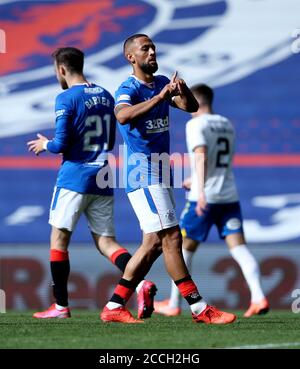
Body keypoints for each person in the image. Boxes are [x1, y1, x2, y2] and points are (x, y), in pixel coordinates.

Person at [100, 34, 236, 324]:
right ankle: (200, 308)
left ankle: (114, 306)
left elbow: (190, 107)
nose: (151, 52)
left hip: (160, 171)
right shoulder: (128, 87)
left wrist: (182, 91)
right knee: (172, 237)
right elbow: (122, 116)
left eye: (153, 48)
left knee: (153, 243)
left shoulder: (161, 81)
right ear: (131, 58)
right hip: (142, 171)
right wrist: (160, 97)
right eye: (145, 49)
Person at [27, 47, 156, 319]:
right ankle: (141, 283)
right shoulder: (106, 95)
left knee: (59, 240)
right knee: (107, 242)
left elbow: (61, 144)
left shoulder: (66, 98)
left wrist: (44, 144)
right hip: (103, 175)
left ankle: (60, 306)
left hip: (75, 176)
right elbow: (110, 141)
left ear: (61, 70)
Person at [154, 84, 269, 318]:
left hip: (204, 198)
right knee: (239, 248)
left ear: (195, 100)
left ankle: (174, 303)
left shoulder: (195, 124)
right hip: (228, 195)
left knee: (181, 248)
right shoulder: (226, 123)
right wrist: (194, 179)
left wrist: (201, 189)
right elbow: (218, 161)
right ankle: (258, 297)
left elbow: (202, 154)